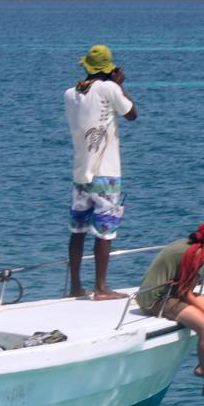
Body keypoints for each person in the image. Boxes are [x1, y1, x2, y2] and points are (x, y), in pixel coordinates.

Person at [64, 44, 137, 299]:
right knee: (105, 231)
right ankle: (101, 288)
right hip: (105, 172)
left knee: (78, 231)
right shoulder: (109, 88)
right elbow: (131, 113)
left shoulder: (71, 93)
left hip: (80, 173)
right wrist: (119, 84)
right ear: (108, 69)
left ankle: (74, 286)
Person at [137, 218, 204, 406]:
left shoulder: (192, 246)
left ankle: (202, 366)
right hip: (156, 299)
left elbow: (183, 289)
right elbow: (186, 294)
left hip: (172, 292)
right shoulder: (195, 254)